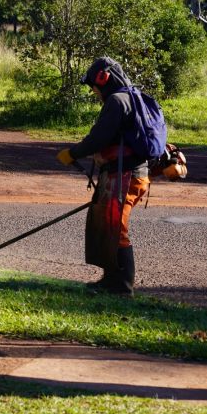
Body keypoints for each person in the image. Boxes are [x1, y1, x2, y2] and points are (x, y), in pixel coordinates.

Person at [56, 57, 150, 296]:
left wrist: (73, 153)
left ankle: (122, 286)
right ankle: (110, 280)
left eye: (94, 86)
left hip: (125, 175)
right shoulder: (130, 97)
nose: (94, 91)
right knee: (108, 228)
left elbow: (98, 138)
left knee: (116, 229)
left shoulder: (117, 101)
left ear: (103, 79)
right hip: (125, 173)